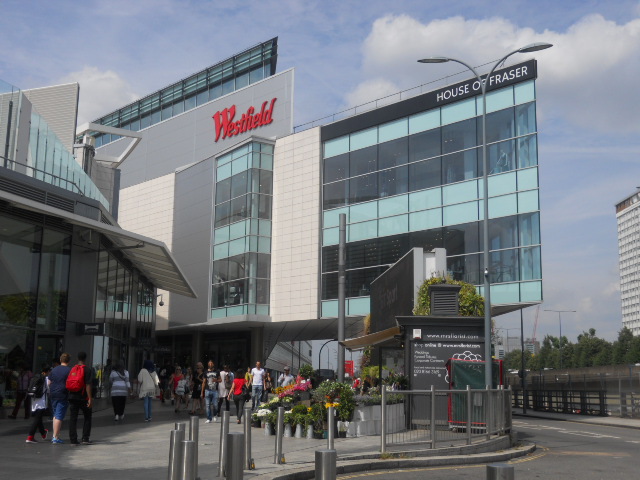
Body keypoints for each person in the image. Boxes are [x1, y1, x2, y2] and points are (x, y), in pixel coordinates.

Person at [68, 351, 94, 446]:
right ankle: (85, 438)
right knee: (87, 417)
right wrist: (90, 398)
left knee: (73, 418)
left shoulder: (73, 369)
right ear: (85, 358)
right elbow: (88, 384)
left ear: (78, 358)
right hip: (83, 397)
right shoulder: (87, 369)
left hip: (72, 396)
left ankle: (73, 440)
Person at [48, 353, 71, 444]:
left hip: (53, 393)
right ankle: (55, 437)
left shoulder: (54, 370)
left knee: (55, 414)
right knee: (59, 416)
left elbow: (49, 382)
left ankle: (54, 434)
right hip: (63, 393)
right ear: (68, 361)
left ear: (60, 360)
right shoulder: (69, 370)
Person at [25, 365, 51, 443]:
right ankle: (30, 436)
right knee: (37, 419)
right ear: (47, 372)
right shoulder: (46, 379)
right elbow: (48, 390)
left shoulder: (35, 377)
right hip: (41, 401)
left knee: (38, 418)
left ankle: (43, 433)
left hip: (34, 400)